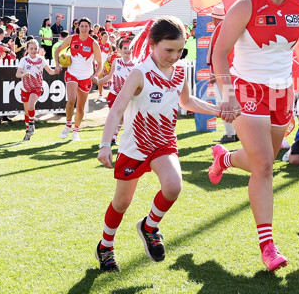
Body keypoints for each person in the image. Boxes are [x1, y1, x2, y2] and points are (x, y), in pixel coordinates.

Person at [209, 0, 299, 272]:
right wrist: (226, 94)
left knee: (260, 162)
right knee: (266, 165)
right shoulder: (245, 5)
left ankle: (224, 158)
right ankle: (268, 246)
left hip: (283, 92)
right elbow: (219, 52)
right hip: (247, 89)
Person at [95, 16, 221, 272]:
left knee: (174, 186)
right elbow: (117, 110)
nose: (175, 56)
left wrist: (219, 110)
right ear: (152, 44)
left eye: (180, 50)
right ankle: (105, 246)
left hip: (163, 143)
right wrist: (105, 144)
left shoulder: (180, 71)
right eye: (169, 50)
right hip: (134, 148)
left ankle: (149, 227)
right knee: (122, 203)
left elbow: (187, 102)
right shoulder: (139, 73)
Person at [54, 17, 104, 141]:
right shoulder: (71, 39)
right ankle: (67, 125)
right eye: (82, 26)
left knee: (80, 106)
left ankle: (76, 130)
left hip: (86, 76)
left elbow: (100, 63)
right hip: (72, 73)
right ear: (78, 27)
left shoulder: (93, 43)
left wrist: (96, 75)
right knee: (71, 100)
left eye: (86, 26)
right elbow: (57, 50)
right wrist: (57, 64)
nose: (84, 28)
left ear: (90, 28)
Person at [207, 4, 238, 143]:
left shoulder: (221, 28)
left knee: (224, 103)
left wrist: (215, 72)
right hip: (231, 72)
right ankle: (235, 133)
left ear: (215, 18)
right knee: (233, 103)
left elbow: (218, 53)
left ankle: (230, 133)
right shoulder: (231, 27)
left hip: (224, 73)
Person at [97, 38, 136, 146]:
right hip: (114, 95)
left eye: (129, 48)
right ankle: (107, 140)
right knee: (114, 117)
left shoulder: (135, 65)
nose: (127, 50)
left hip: (128, 97)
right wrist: (98, 81)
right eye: (125, 48)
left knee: (123, 119)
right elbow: (110, 77)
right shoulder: (116, 61)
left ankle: (113, 139)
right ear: (120, 49)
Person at [16, 39, 57, 140]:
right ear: (27, 49)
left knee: (31, 105)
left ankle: (32, 125)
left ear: (38, 49)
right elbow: (17, 74)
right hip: (25, 88)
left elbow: (50, 71)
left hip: (37, 87)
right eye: (31, 49)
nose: (33, 51)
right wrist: (23, 75)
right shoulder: (24, 60)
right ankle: (28, 131)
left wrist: (56, 70)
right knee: (26, 111)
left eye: (35, 48)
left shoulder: (41, 59)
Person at [97, 31, 112, 101]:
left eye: (107, 37)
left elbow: (111, 55)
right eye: (105, 36)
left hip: (106, 66)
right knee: (100, 80)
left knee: (108, 80)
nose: (106, 38)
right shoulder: (97, 44)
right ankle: (100, 95)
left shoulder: (109, 45)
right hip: (99, 65)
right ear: (101, 37)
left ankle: (111, 95)